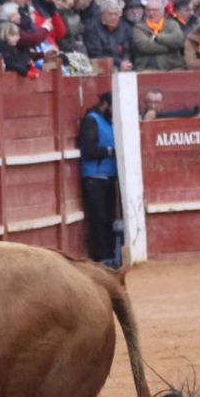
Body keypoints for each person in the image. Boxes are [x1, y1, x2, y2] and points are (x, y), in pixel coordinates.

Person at [77, 91, 118, 266]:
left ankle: (108, 256)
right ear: (105, 104)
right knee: (99, 218)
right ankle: (101, 258)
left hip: (108, 176)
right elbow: (88, 150)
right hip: (94, 178)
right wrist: (110, 151)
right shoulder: (91, 120)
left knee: (108, 218)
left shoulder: (107, 122)